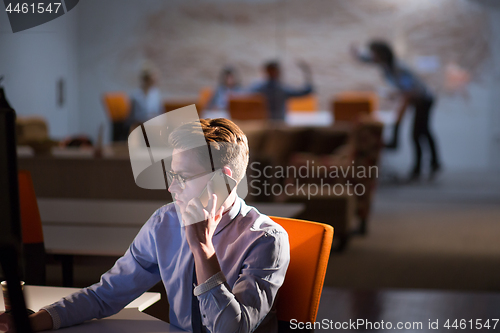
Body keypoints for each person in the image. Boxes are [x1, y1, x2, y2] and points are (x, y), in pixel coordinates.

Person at [0, 118, 290, 333]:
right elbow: (107, 294)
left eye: (184, 176)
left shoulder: (266, 240)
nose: (171, 188)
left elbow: (231, 329)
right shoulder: (166, 222)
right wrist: (36, 320)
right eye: (172, 175)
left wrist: (203, 250)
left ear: (224, 180)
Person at [351, 40, 441, 181]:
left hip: (423, 99)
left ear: (382, 54)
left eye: (374, 53)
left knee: (419, 133)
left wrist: (395, 95)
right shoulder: (385, 65)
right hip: (416, 99)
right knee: (422, 132)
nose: (372, 56)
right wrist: (357, 55)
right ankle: (433, 164)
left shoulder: (397, 68)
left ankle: (421, 168)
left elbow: (409, 88)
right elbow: (368, 60)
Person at [249, 60, 314, 121]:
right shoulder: (261, 88)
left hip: (279, 122)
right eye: (272, 71)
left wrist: (307, 76)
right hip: (266, 121)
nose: (273, 73)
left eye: (274, 71)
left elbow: (303, 92)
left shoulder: (281, 88)